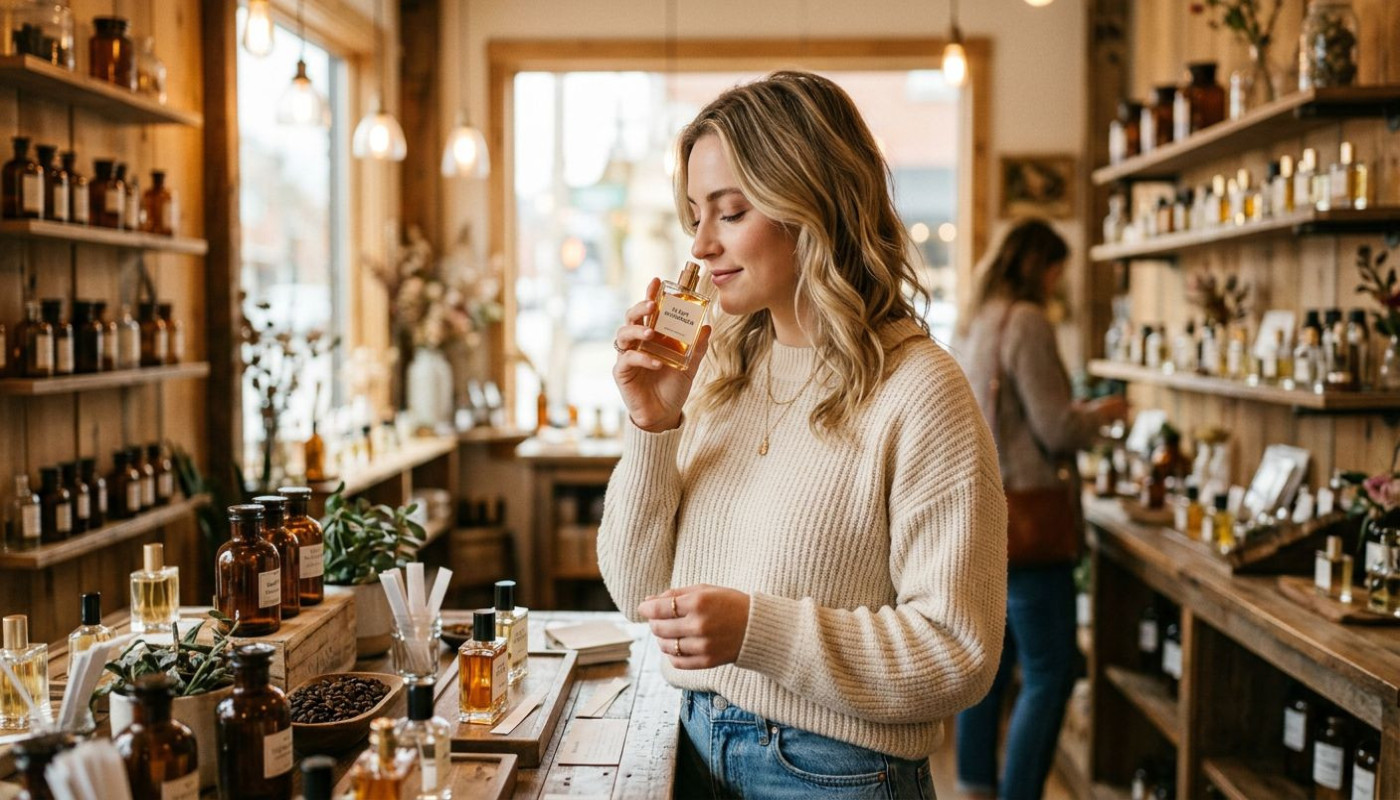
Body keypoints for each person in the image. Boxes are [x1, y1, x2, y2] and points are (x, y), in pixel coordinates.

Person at [599, 70, 1007, 798]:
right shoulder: (721, 366)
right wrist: (653, 424)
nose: (699, 246)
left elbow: (959, 654)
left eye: (729, 213)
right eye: (694, 213)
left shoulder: (920, 391)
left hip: (833, 774)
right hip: (688, 746)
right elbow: (637, 594)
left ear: (811, 205)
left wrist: (759, 630)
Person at [952, 219, 1126, 800]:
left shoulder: (976, 322)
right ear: (1039, 266)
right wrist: (1103, 415)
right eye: (1056, 270)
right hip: (1029, 523)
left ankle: (976, 786)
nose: (1058, 283)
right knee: (1050, 674)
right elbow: (1055, 427)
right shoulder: (1026, 321)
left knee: (991, 669)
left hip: (983, 515)